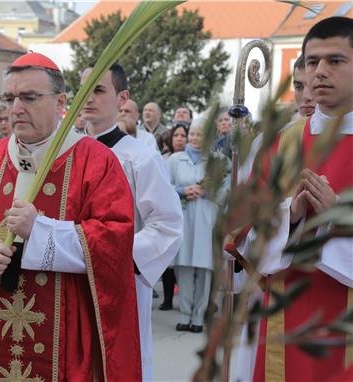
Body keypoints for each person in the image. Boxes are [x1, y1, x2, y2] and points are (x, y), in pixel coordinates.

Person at [0, 52, 142, 381]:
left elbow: (114, 238)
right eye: (9, 98)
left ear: (61, 101)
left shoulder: (96, 161)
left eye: (30, 97)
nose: (16, 108)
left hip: (65, 332)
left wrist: (42, 232)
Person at [250, 16, 353, 382]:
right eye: (312, 62)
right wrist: (290, 218)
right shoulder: (282, 144)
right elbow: (244, 238)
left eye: (335, 61)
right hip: (285, 314)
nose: (320, 72)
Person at [81, 62, 183, 381]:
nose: (89, 98)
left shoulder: (140, 157)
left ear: (122, 98)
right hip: (67, 279)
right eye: (84, 90)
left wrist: (114, 255)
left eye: (99, 90)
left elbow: (166, 225)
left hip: (118, 280)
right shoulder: (65, 154)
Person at [167, 119, 230, 334]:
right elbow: (164, 186)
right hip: (183, 217)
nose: (194, 138)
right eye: (192, 133)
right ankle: (184, 314)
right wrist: (182, 191)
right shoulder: (175, 160)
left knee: (204, 268)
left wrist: (208, 192)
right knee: (183, 266)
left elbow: (228, 187)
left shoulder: (218, 160)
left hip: (206, 218)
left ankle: (199, 316)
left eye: (200, 134)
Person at [158, 123, 189, 311]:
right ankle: (167, 297)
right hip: (168, 212)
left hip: (188, 213)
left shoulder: (192, 159)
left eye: (183, 135)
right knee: (169, 260)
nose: (179, 138)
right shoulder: (163, 159)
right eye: (176, 135)